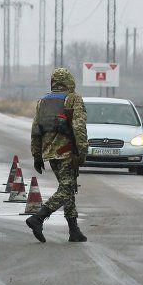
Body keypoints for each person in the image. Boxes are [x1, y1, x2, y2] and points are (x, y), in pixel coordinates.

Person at [26, 67, 88, 243]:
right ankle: (38, 218)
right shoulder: (73, 99)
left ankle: (74, 230)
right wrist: (82, 151)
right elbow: (79, 127)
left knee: (67, 188)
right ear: (70, 82)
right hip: (67, 152)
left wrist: (37, 156)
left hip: (50, 154)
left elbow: (35, 130)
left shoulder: (42, 102)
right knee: (67, 189)